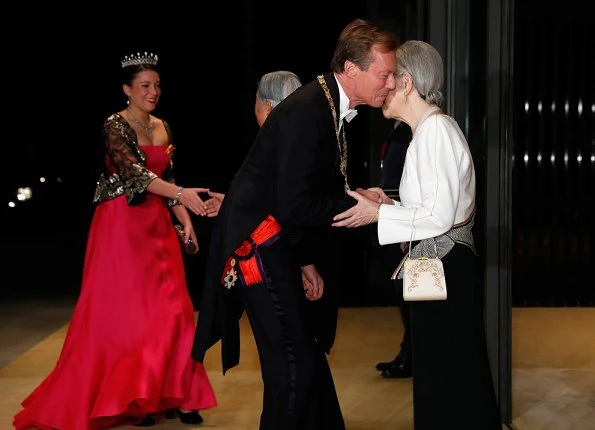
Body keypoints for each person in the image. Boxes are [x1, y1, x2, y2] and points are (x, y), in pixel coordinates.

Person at [192, 19, 399, 430]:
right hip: (256, 250)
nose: (391, 83)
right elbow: (292, 203)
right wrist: (354, 202)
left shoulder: (326, 104)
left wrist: (308, 257)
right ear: (351, 69)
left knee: (304, 358)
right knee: (294, 364)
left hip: (278, 244)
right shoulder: (309, 109)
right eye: (385, 74)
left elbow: (303, 189)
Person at [13, 52, 218, 430]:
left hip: (156, 224)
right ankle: (135, 399)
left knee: (174, 310)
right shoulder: (114, 125)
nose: (153, 92)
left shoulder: (163, 126)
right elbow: (135, 174)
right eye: (144, 86)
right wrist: (182, 193)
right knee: (128, 316)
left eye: (156, 85)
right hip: (120, 226)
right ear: (127, 89)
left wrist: (185, 219)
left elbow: (168, 177)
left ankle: (183, 395)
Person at [332, 40, 501, 429]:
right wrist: (389, 205)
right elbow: (433, 209)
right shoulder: (428, 131)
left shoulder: (435, 131)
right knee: (445, 375)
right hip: (439, 268)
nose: (382, 87)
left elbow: (439, 217)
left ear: (406, 82)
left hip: (446, 271)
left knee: (449, 377)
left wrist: (376, 214)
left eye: (389, 76)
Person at [204, 70, 303, 214]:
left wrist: (233, 206)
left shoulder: (272, 147)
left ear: (268, 107)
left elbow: (276, 206)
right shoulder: (306, 140)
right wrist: (230, 204)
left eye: (257, 105)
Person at [373, 120, 414, 379]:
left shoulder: (408, 132)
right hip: (399, 222)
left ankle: (411, 356)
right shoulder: (401, 131)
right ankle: (408, 353)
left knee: (408, 295)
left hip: (403, 225)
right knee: (405, 296)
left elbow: (395, 184)